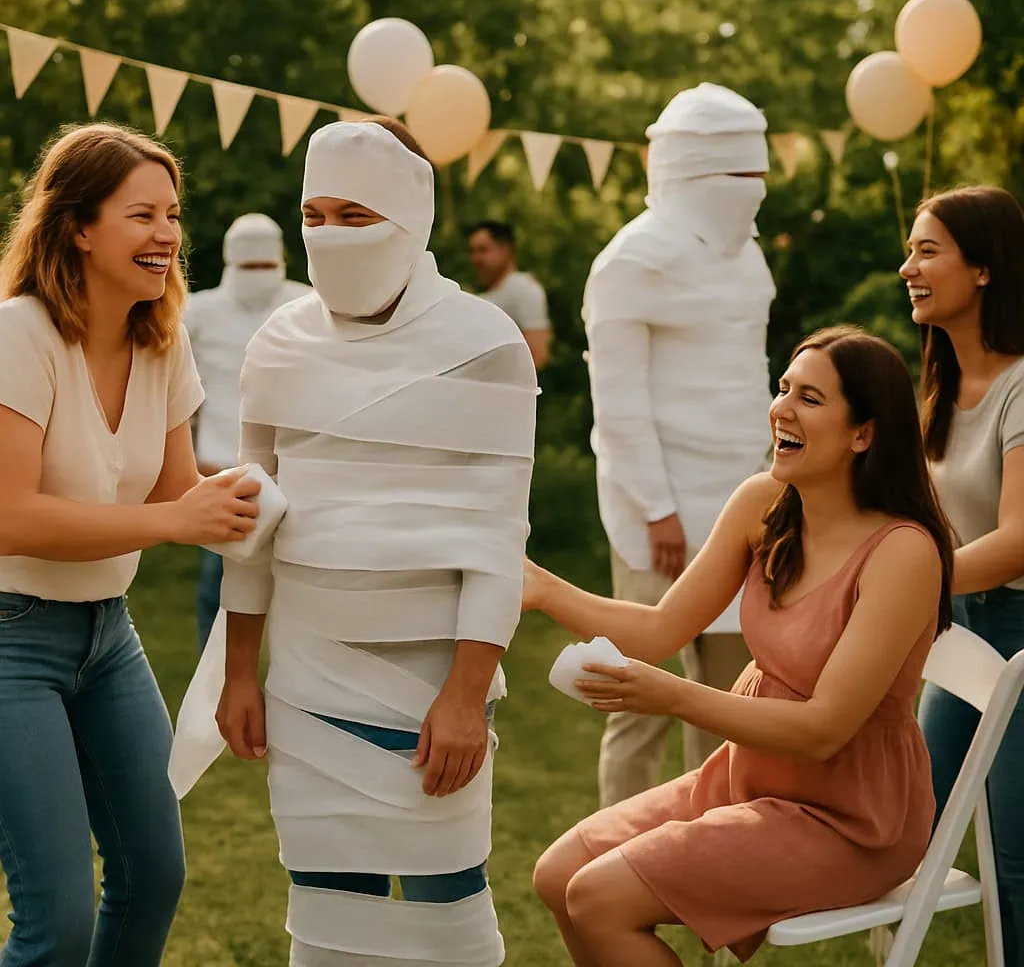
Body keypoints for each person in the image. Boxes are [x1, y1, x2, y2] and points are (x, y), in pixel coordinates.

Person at [188, 119, 536, 966]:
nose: (329, 235)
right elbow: (251, 526)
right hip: (307, 673)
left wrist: (465, 693)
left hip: (430, 678)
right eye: (314, 215)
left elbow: (497, 537)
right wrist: (240, 671)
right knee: (327, 909)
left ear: (409, 216)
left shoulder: (484, 345)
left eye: (355, 215)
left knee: (449, 911)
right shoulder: (279, 343)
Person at [526, 325, 953, 966]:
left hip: (852, 818)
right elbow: (660, 628)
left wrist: (673, 696)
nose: (782, 407)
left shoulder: (903, 553)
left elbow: (823, 730)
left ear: (863, 434)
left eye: (810, 398)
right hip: (750, 776)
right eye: (783, 388)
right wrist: (540, 587)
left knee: (598, 898)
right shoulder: (765, 504)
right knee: (558, 875)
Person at [0, 123, 259, 966]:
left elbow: (175, 489)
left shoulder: (161, 339)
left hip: (108, 636)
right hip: (10, 639)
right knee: (58, 920)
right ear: (79, 227)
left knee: (153, 876)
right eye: (142, 215)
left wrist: (275, 488)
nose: (167, 235)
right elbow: (11, 516)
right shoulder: (19, 334)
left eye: (173, 215)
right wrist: (176, 522)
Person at [584, 82, 776, 807]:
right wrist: (657, 508)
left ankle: (714, 847)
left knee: (729, 704)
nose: (752, 189)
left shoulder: (749, 258)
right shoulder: (629, 261)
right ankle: (612, 847)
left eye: (758, 173)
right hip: (656, 518)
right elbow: (619, 404)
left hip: (742, 505)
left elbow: (752, 379)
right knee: (637, 701)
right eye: (738, 173)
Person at [900, 185, 1024, 964]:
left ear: (983, 268)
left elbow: (1018, 542)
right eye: (909, 251)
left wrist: (908, 583)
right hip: (961, 626)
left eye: (927, 251)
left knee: (1015, 858)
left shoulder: (1022, 386)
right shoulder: (943, 387)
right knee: (912, 825)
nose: (907, 267)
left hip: (1018, 632)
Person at [185, 213, 308, 652]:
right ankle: (217, 675)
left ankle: (293, 671)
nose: (257, 276)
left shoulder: (306, 304)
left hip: (296, 469)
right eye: (248, 265)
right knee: (220, 584)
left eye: (264, 265)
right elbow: (174, 387)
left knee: (302, 580)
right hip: (221, 469)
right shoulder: (197, 312)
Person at [467, 219, 552, 370]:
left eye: (483, 250)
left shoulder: (524, 289)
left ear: (505, 250)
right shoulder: (487, 296)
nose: (476, 259)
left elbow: (537, 354)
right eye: (472, 251)